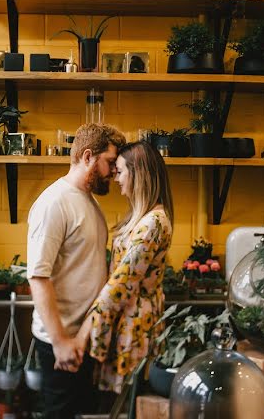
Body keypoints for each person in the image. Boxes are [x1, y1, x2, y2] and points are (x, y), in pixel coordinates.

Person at [26, 123, 126, 419]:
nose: (114, 172)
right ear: (87, 157)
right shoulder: (54, 203)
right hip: (61, 342)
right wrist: (60, 342)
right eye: (109, 162)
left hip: (83, 339)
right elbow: (38, 276)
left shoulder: (89, 201)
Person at [78, 140, 174, 394]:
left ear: (139, 173)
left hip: (135, 326)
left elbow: (123, 282)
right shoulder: (142, 217)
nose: (115, 177)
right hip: (126, 319)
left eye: (120, 171)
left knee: (127, 403)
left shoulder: (153, 222)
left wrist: (87, 328)